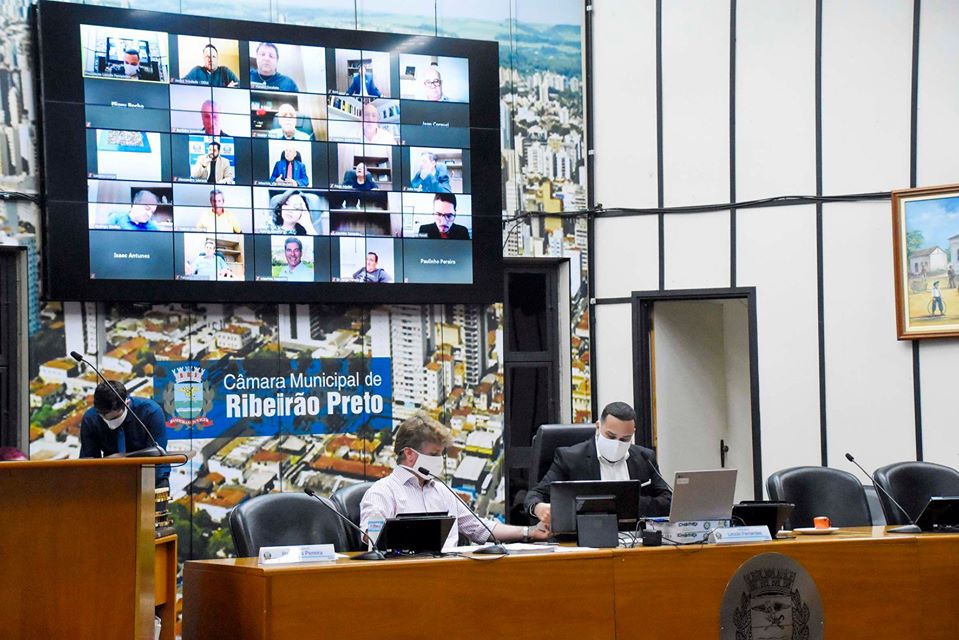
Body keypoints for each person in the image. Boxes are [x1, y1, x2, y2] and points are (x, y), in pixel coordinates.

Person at [360, 414, 549, 549]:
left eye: (441, 454)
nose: (439, 460)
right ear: (409, 454)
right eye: (433, 454)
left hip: (452, 577)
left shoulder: (442, 491)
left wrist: (529, 532)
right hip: (405, 579)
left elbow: (480, 528)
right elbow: (371, 538)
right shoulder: (382, 492)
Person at [524, 401, 672, 526]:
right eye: (611, 436)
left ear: (633, 433)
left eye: (625, 439)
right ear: (597, 426)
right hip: (584, 539)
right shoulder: (570, 458)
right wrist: (539, 507)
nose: (617, 444)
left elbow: (668, 500)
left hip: (635, 538)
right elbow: (535, 495)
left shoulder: (645, 458)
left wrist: (629, 503)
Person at [79, 381, 170, 486]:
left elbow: (157, 456)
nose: (108, 421)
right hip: (112, 480)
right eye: (102, 416)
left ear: (126, 404)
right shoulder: (90, 418)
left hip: (152, 477)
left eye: (114, 418)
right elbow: (88, 463)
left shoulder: (150, 412)